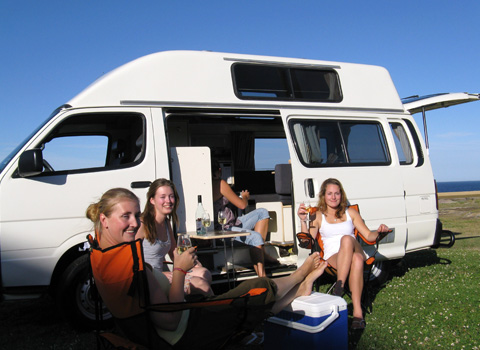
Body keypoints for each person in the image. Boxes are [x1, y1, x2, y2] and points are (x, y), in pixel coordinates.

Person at [87, 188, 328, 349]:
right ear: (105, 220)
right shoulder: (134, 266)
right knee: (256, 289)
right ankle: (298, 275)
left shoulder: (105, 258)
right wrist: (180, 271)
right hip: (184, 334)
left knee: (238, 301)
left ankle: (299, 290)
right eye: (125, 216)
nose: (134, 222)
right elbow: (170, 320)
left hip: (177, 322)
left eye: (136, 215)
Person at [297, 178, 390, 330]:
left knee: (347, 239)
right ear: (323, 196)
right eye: (329, 194)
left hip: (354, 247)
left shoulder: (350, 212)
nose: (333, 197)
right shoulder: (317, 215)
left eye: (337, 193)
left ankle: (339, 288)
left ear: (341, 195)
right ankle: (358, 313)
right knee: (357, 260)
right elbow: (307, 242)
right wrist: (303, 221)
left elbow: (368, 236)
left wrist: (380, 232)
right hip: (334, 258)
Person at [136, 179, 213, 297]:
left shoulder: (166, 223)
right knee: (202, 284)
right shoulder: (143, 224)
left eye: (171, 196)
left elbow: (174, 252)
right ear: (152, 200)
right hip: (150, 278)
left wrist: (193, 263)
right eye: (163, 197)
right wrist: (160, 274)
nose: (168, 201)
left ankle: (192, 308)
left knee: (205, 273)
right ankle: (216, 309)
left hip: (163, 274)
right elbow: (132, 259)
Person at [211, 160, 278, 278]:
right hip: (224, 230)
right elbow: (242, 205)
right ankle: (263, 278)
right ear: (220, 170)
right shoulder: (220, 184)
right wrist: (245, 197)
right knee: (255, 237)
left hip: (232, 224)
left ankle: (261, 252)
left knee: (262, 212)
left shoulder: (205, 185)